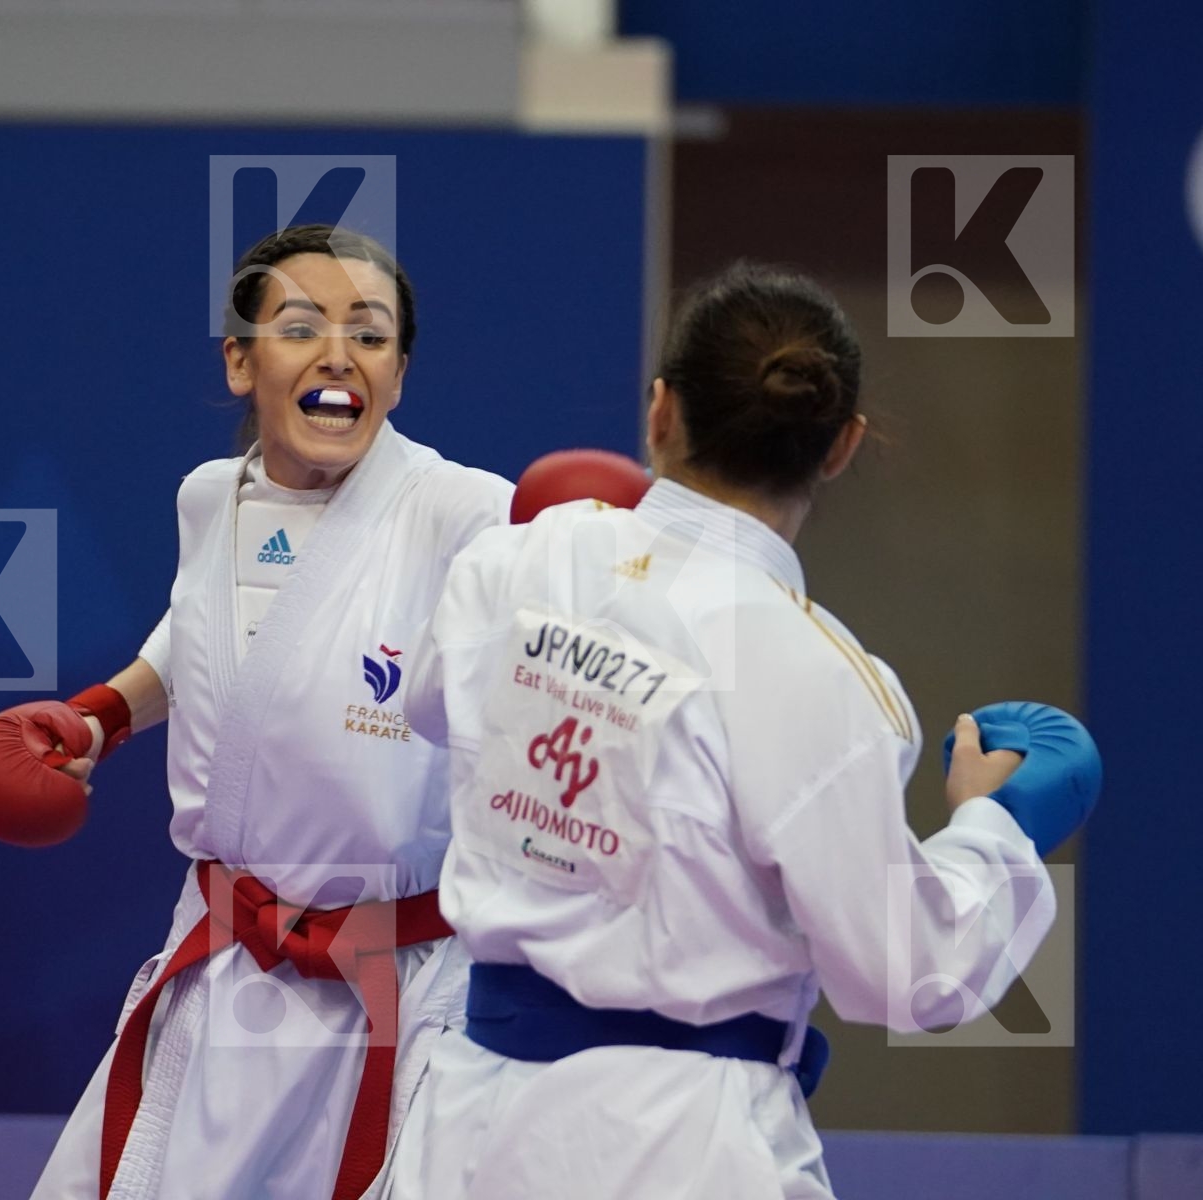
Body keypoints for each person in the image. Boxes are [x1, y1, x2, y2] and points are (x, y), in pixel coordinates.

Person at [387, 263, 1097, 1199]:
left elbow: (428, 706)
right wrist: (999, 829)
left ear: (658, 412)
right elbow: (903, 971)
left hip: (470, 1132)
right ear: (841, 447)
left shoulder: (522, 556)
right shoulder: (825, 680)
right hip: (684, 1144)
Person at [0, 224, 518, 1200]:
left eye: (371, 335)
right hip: (224, 962)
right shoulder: (211, 499)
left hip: (393, 982)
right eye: (302, 326)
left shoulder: (461, 513)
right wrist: (100, 718)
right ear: (239, 359)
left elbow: (561, 589)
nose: (339, 354)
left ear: (399, 372)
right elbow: (202, 639)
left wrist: (591, 543)